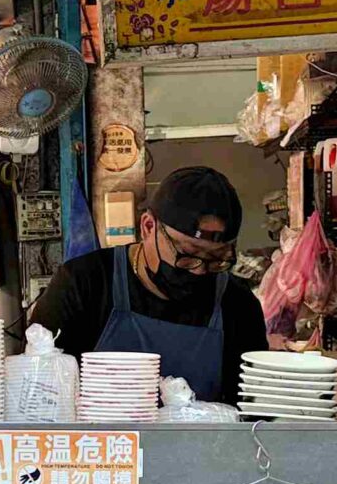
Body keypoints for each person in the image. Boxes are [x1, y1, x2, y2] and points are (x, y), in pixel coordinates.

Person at [29, 167, 267, 405]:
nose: (198, 270)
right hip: (101, 440)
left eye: (217, 259)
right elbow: (39, 391)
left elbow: (253, 411)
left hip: (201, 442)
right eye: (187, 255)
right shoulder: (84, 283)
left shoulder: (238, 305)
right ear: (148, 226)